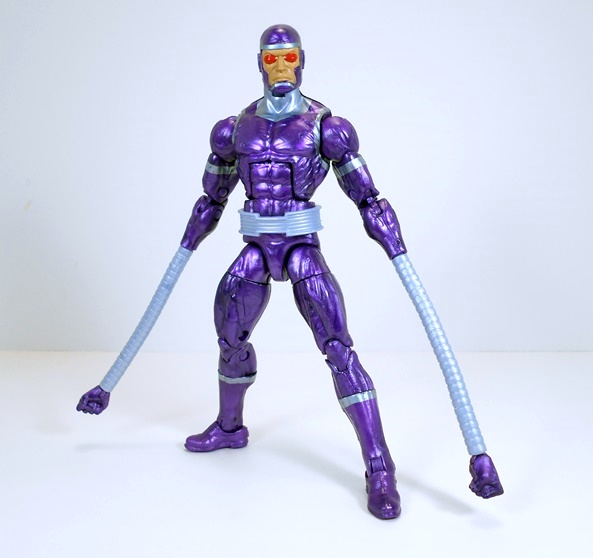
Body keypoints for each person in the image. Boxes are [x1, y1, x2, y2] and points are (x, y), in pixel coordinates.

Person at [77, 24, 503, 520]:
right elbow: (212, 198)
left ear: (302, 61)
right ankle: (230, 427)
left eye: (289, 57)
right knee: (229, 337)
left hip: (301, 250)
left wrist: (392, 241)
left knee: (339, 351)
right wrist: (190, 239)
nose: (281, 66)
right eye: (272, 58)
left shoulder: (327, 127)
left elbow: (367, 196)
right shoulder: (234, 129)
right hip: (256, 249)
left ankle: (380, 467)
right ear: (259, 63)